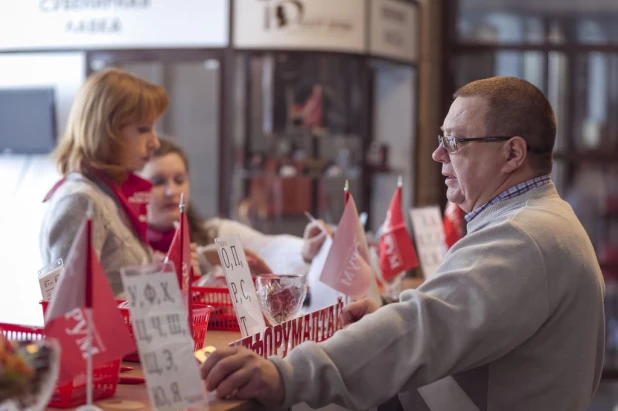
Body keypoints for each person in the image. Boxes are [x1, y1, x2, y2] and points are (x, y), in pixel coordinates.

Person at [199, 76, 605, 410]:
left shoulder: (522, 235)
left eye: (454, 142)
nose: (437, 155)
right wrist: (387, 315)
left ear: (513, 152)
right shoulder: (541, 220)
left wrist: (285, 375)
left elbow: (424, 329)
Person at [40, 68, 168, 296]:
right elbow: (69, 307)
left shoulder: (107, 196)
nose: (155, 142)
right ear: (106, 131)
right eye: (143, 129)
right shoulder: (80, 200)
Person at [140, 138, 310, 277]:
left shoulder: (217, 233)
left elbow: (269, 248)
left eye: (179, 180)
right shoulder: (126, 254)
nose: (172, 191)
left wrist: (305, 251)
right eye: (158, 182)